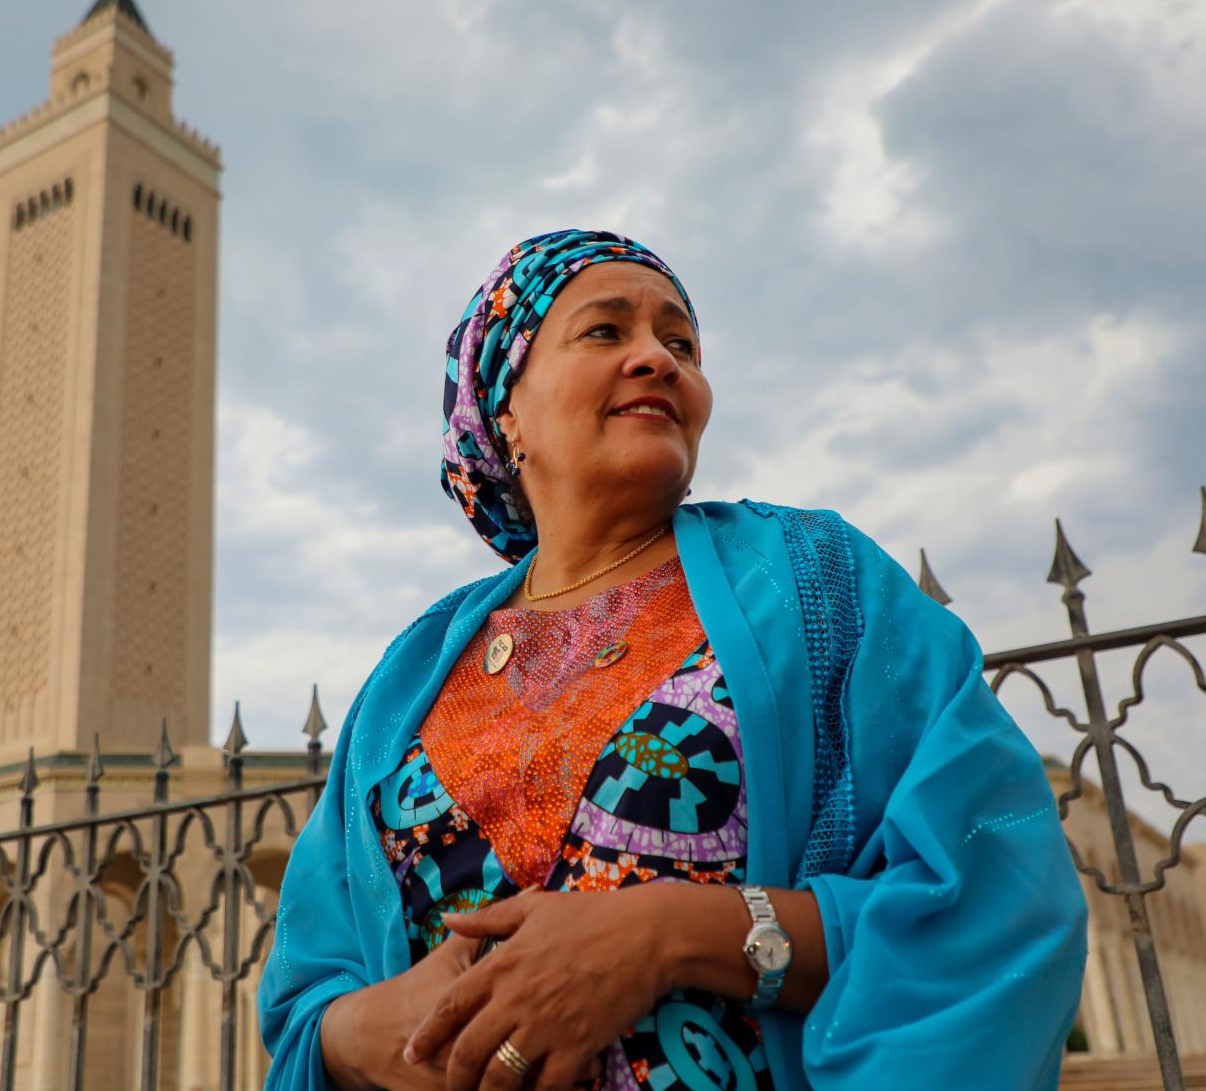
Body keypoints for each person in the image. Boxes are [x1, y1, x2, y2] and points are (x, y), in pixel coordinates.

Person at [257, 229, 1088, 1090]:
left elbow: (997, 898)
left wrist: (673, 935)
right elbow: (309, 998)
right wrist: (364, 1034)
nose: (657, 358)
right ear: (506, 408)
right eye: (606, 331)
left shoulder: (815, 584)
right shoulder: (412, 676)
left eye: (681, 342)